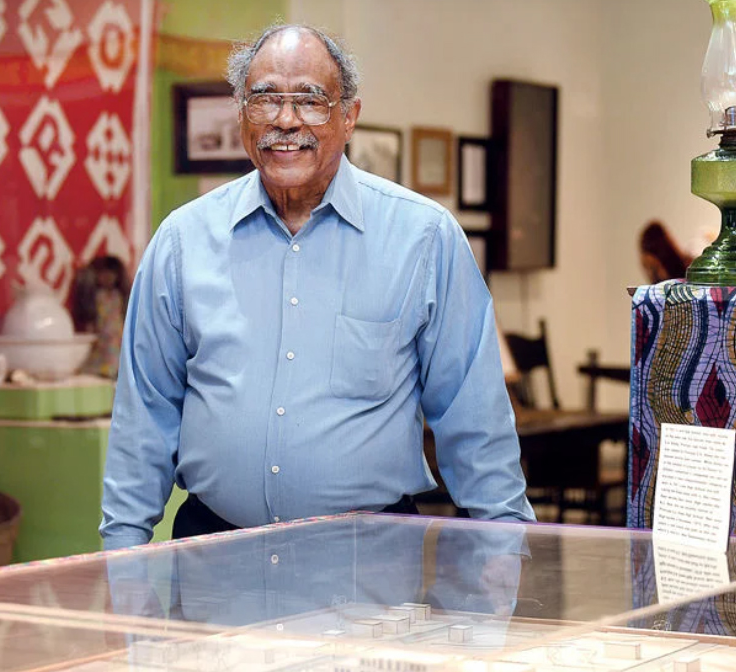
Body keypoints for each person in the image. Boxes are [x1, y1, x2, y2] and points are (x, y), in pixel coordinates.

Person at [100, 24, 534, 550]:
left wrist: (503, 559)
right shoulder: (181, 242)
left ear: (349, 116)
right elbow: (143, 421)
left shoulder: (423, 238)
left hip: (369, 573)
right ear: (241, 115)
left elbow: (475, 423)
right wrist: (123, 566)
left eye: (310, 101)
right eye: (265, 99)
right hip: (214, 567)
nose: (286, 121)